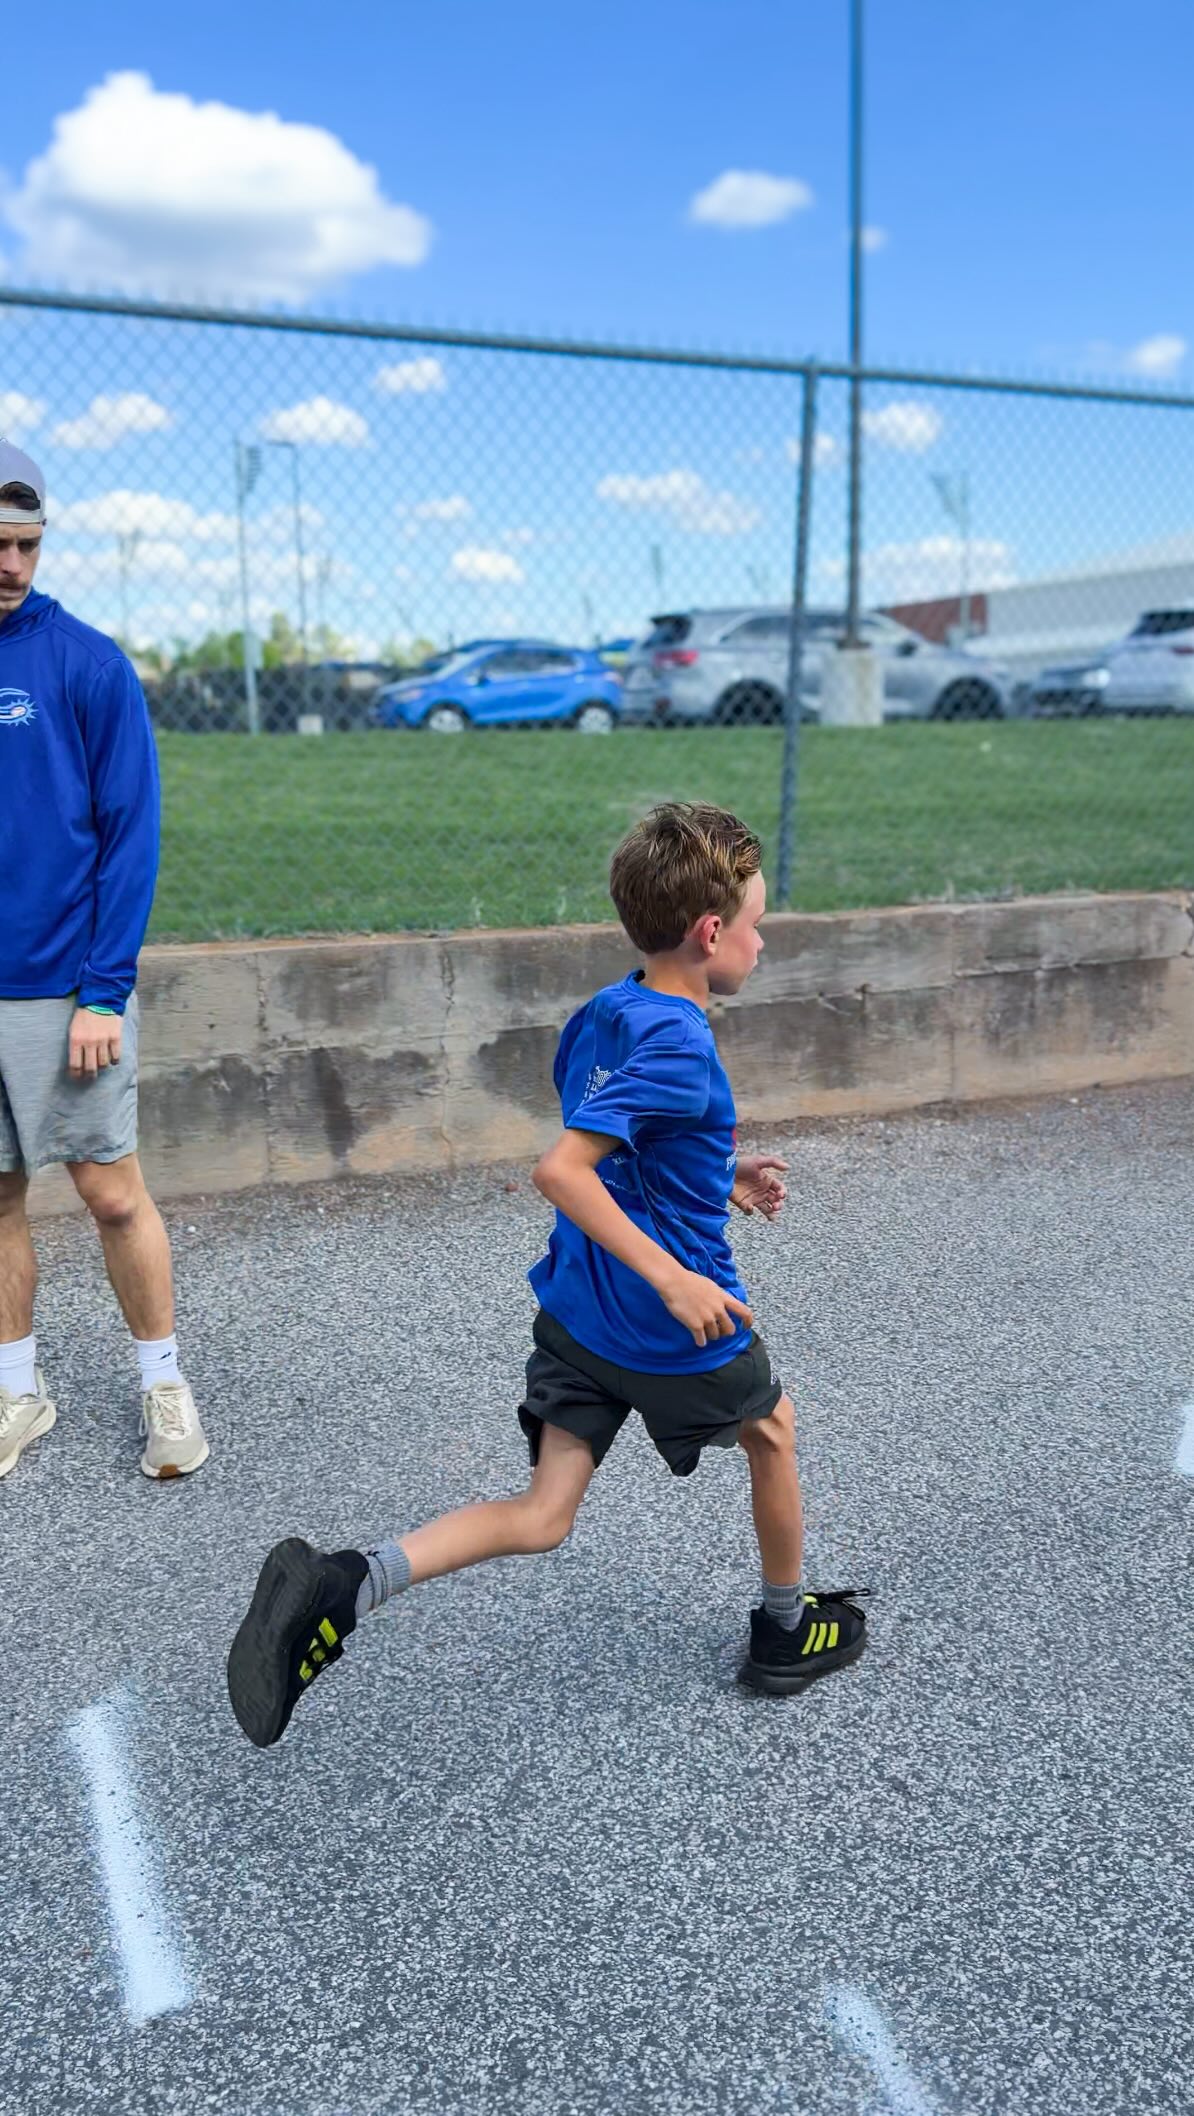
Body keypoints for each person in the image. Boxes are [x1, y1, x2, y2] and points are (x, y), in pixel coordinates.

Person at [227, 802, 868, 1747]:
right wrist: (673, 1278)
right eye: (759, 923)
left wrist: (713, 1169)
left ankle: (345, 1585)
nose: (765, 942)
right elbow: (562, 1170)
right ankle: (783, 1632)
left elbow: (619, 1137)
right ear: (711, 931)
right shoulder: (684, 1043)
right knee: (772, 1428)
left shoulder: (609, 1009)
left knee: (543, 1514)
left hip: (577, 1314)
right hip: (661, 1325)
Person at [0, 441, 209, 1481]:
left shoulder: (85, 662)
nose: (10, 563)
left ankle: (165, 1388)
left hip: (64, 991)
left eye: (26, 544)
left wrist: (103, 989)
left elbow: (131, 838)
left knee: (111, 1193)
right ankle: (16, 1394)